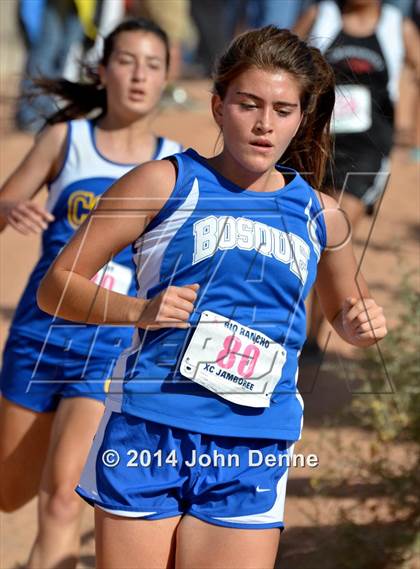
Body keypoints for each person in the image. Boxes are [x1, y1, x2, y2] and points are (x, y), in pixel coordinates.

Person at [38, 26, 387, 569]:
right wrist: (139, 310)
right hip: (147, 429)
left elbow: (347, 313)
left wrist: (359, 324)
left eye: (282, 109)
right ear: (218, 105)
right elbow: (55, 286)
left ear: (301, 117)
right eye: (248, 104)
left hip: (254, 443)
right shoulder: (162, 183)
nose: (265, 124)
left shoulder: (323, 213)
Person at [0, 18, 182, 568]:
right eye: (126, 61)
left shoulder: (174, 162)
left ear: (167, 77)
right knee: (9, 495)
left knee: (61, 498)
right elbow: (3, 204)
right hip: (39, 336)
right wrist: (10, 208)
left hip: (112, 346)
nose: (138, 75)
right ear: (102, 71)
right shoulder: (66, 139)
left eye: (153, 65)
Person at [293, 0, 419, 355]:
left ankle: (314, 336)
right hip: (315, 142)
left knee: (335, 231)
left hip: (367, 150)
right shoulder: (322, 16)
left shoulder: (397, 27)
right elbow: (278, 59)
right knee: (302, 233)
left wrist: (416, 136)